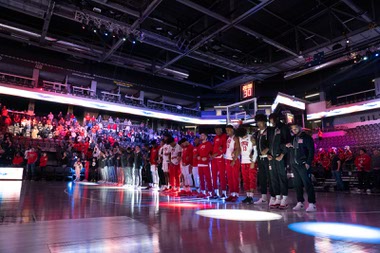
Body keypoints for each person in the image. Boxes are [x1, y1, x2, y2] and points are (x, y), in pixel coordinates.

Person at [286, 122, 317, 212]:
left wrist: (308, 163)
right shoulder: (293, 138)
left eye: (295, 128)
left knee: (307, 184)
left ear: (300, 128)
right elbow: (293, 150)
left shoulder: (307, 138)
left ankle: (312, 203)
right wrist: (289, 146)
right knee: (297, 184)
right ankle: (300, 202)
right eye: (292, 129)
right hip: (294, 165)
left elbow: (311, 151)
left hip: (303, 164)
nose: (293, 130)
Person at [268, 113, 291, 209]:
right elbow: (269, 143)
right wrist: (269, 154)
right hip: (272, 158)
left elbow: (287, 143)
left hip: (280, 158)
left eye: (271, 119)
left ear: (276, 119)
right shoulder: (271, 130)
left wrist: (282, 155)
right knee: (274, 178)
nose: (270, 121)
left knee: (282, 178)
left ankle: (284, 198)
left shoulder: (284, 128)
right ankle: (277, 197)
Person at [254, 114, 274, 205]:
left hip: (268, 158)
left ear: (264, 122)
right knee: (262, 178)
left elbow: (274, 142)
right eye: (257, 122)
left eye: (260, 122)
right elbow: (256, 145)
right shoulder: (257, 133)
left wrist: (268, 149)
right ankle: (263, 197)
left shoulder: (270, 131)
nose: (259, 124)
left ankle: (273, 197)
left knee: (271, 178)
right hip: (260, 159)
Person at [235, 126, 257, 204]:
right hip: (243, 162)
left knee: (252, 179)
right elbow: (240, 149)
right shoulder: (240, 138)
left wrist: (253, 161)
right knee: (245, 180)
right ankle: (248, 196)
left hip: (250, 162)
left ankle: (251, 196)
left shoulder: (251, 138)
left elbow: (256, 150)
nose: (242, 137)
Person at [224, 125, 241, 202]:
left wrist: (234, 160)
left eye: (228, 130)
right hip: (227, 159)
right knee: (229, 178)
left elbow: (238, 148)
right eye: (226, 130)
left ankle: (236, 194)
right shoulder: (228, 138)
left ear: (232, 130)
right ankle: (231, 194)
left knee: (235, 177)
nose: (227, 131)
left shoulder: (235, 138)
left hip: (233, 160)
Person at [211, 126, 227, 199]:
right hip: (214, 159)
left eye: (218, 129)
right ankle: (216, 193)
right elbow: (214, 147)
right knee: (214, 176)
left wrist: (216, 154)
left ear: (221, 129)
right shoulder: (215, 137)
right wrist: (211, 155)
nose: (217, 131)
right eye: (216, 130)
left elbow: (224, 148)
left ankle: (224, 193)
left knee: (222, 176)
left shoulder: (224, 137)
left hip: (221, 158)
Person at [196, 133, 213, 198]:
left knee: (208, 178)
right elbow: (197, 153)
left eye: (202, 135)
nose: (201, 136)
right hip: (200, 164)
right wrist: (198, 156)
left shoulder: (209, 144)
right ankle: (202, 191)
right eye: (200, 135)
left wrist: (207, 158)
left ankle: (210, 192)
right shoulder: (200, 145)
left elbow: (211, 153)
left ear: (206, 137)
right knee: (201, 178)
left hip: (206, 163)